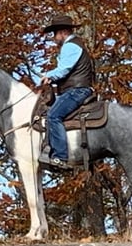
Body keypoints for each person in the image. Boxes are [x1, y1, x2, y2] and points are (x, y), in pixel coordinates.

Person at [38, 14, 96, 170]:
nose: (54, 38)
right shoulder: (76, 45)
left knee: (53, 115)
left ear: (63, 32)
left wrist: (48, 76)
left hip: (77, 90)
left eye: (55, 34)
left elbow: (64, 69)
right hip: (77, 89)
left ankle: (61, 157)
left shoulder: (70, 46)